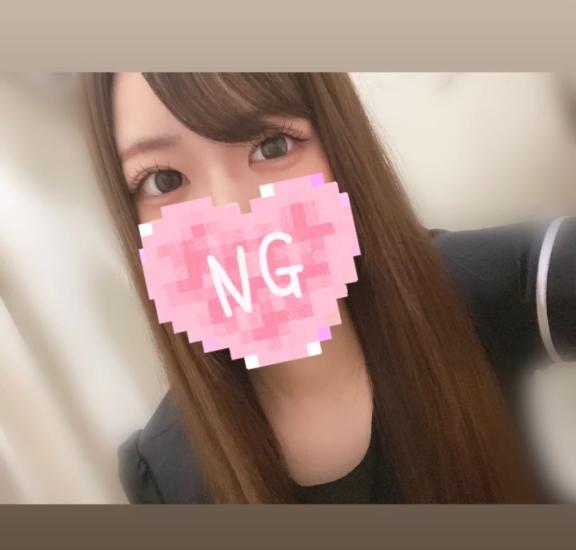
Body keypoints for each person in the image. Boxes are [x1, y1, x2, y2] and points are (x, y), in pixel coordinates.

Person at [80, 73, 575, 504]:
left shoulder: (480, 282)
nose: (233, 211)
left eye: (272, 147)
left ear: (341, 149)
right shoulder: (165, 470)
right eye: (164, 180)